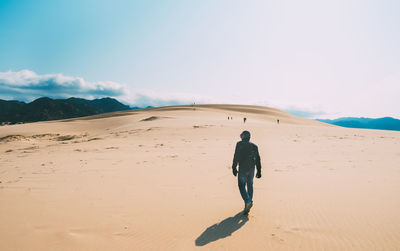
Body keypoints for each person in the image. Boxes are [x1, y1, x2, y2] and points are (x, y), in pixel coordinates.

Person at [232, 131, 262, 214]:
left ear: (243, 137)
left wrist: (234, 167)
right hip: (252, 169)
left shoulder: (239, 144)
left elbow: (236, 156)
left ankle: (248, 201)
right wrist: (259, 170)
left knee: (241, 185)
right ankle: (247, 204)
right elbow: (258, 159)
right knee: (250, 185)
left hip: (243, 168)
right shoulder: (254, 146)